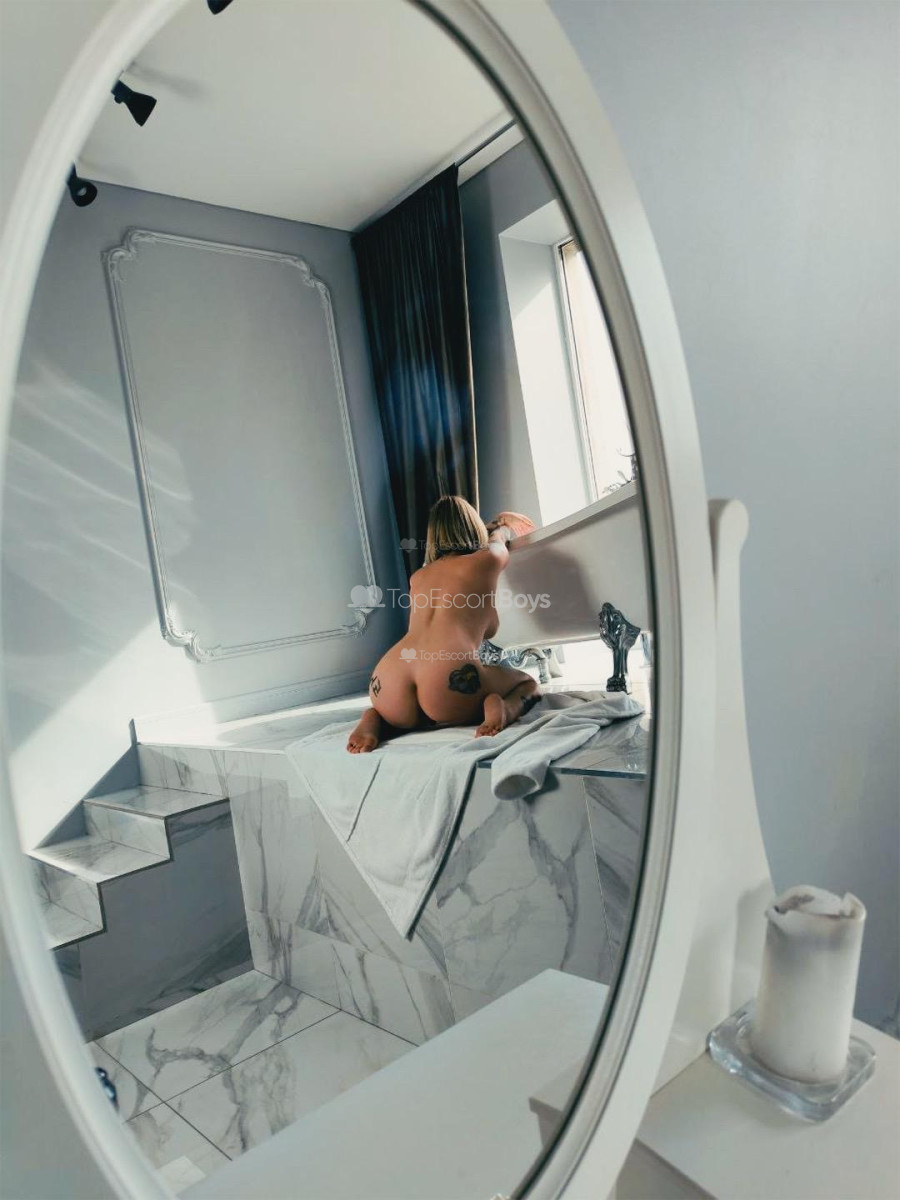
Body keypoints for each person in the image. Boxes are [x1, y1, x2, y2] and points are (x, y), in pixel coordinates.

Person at [347, 495, 542, 753]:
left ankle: (375, 718)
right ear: (475, 527)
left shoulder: (419, 577)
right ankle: (504, 708)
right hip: (447, 675)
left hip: (388, 679)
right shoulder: (487, 559)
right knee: (528, 684)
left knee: (400, 715)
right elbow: (498, 542)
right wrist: (502, 524)